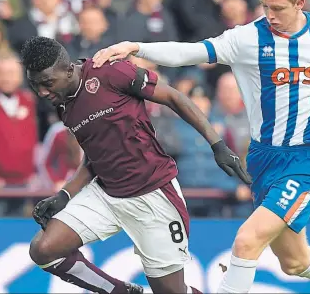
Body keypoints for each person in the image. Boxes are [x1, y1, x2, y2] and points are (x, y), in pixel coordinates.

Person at [92, 0, 310, 294]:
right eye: (264, 6)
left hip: (307, 158)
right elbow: (191, 52)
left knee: (246, 241)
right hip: (263, 158)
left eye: (277, 8)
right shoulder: (248, 39)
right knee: (295, 262)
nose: (269, 15)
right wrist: (136, 47)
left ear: (300, 3)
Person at [22, 36, 250, 294]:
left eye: (47, 83)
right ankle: (120, 291)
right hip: (106, 195)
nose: (42, 92)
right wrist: (65, 194)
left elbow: (174, 97)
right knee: (43, 249)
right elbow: (95, 155)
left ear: (68, 69)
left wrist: (217, 145)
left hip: (153, 194)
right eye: (35, 85)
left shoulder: (110, 71)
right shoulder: (63, 104)